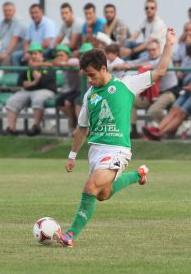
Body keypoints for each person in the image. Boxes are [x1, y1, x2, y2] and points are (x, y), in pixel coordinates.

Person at [53, 28, 176, 248]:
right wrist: (72, 155)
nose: (89, 80)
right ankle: (139, 175)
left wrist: (169, 44)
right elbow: (82, 128)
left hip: (117, 150)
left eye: (92, 75)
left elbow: (160, 71)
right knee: (102, 195)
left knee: (90, 187)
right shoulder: (89, 95)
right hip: (95, 152)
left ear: (103, 68)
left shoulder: (126, 84)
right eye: (86, 76)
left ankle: (70, 235)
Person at [116, 39, 179, 138]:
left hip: (169, 91)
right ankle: (134, 132)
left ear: (159, 49)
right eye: (149, 50)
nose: (151, 52)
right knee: (131, 100)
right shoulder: (148, 57)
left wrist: (131, 65)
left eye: (154, 49)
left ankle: (169, 129)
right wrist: (123, 64)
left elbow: (151, 65)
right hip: (154, 93)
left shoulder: (165, 57)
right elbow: (136, 62)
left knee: (153, 111)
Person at [5, 42, 56, 136]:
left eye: (35, 53)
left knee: (38, 99)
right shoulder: (27, 66)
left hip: (45, 90)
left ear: (41, 54)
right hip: (28, 90)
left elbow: (46, 82)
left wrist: (37, 79)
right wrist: (34, 82)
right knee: (12, 101)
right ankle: (11, 129)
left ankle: (36, 127)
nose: (33, 56)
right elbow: (20, 82)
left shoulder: (48, 64)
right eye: (31, 54)